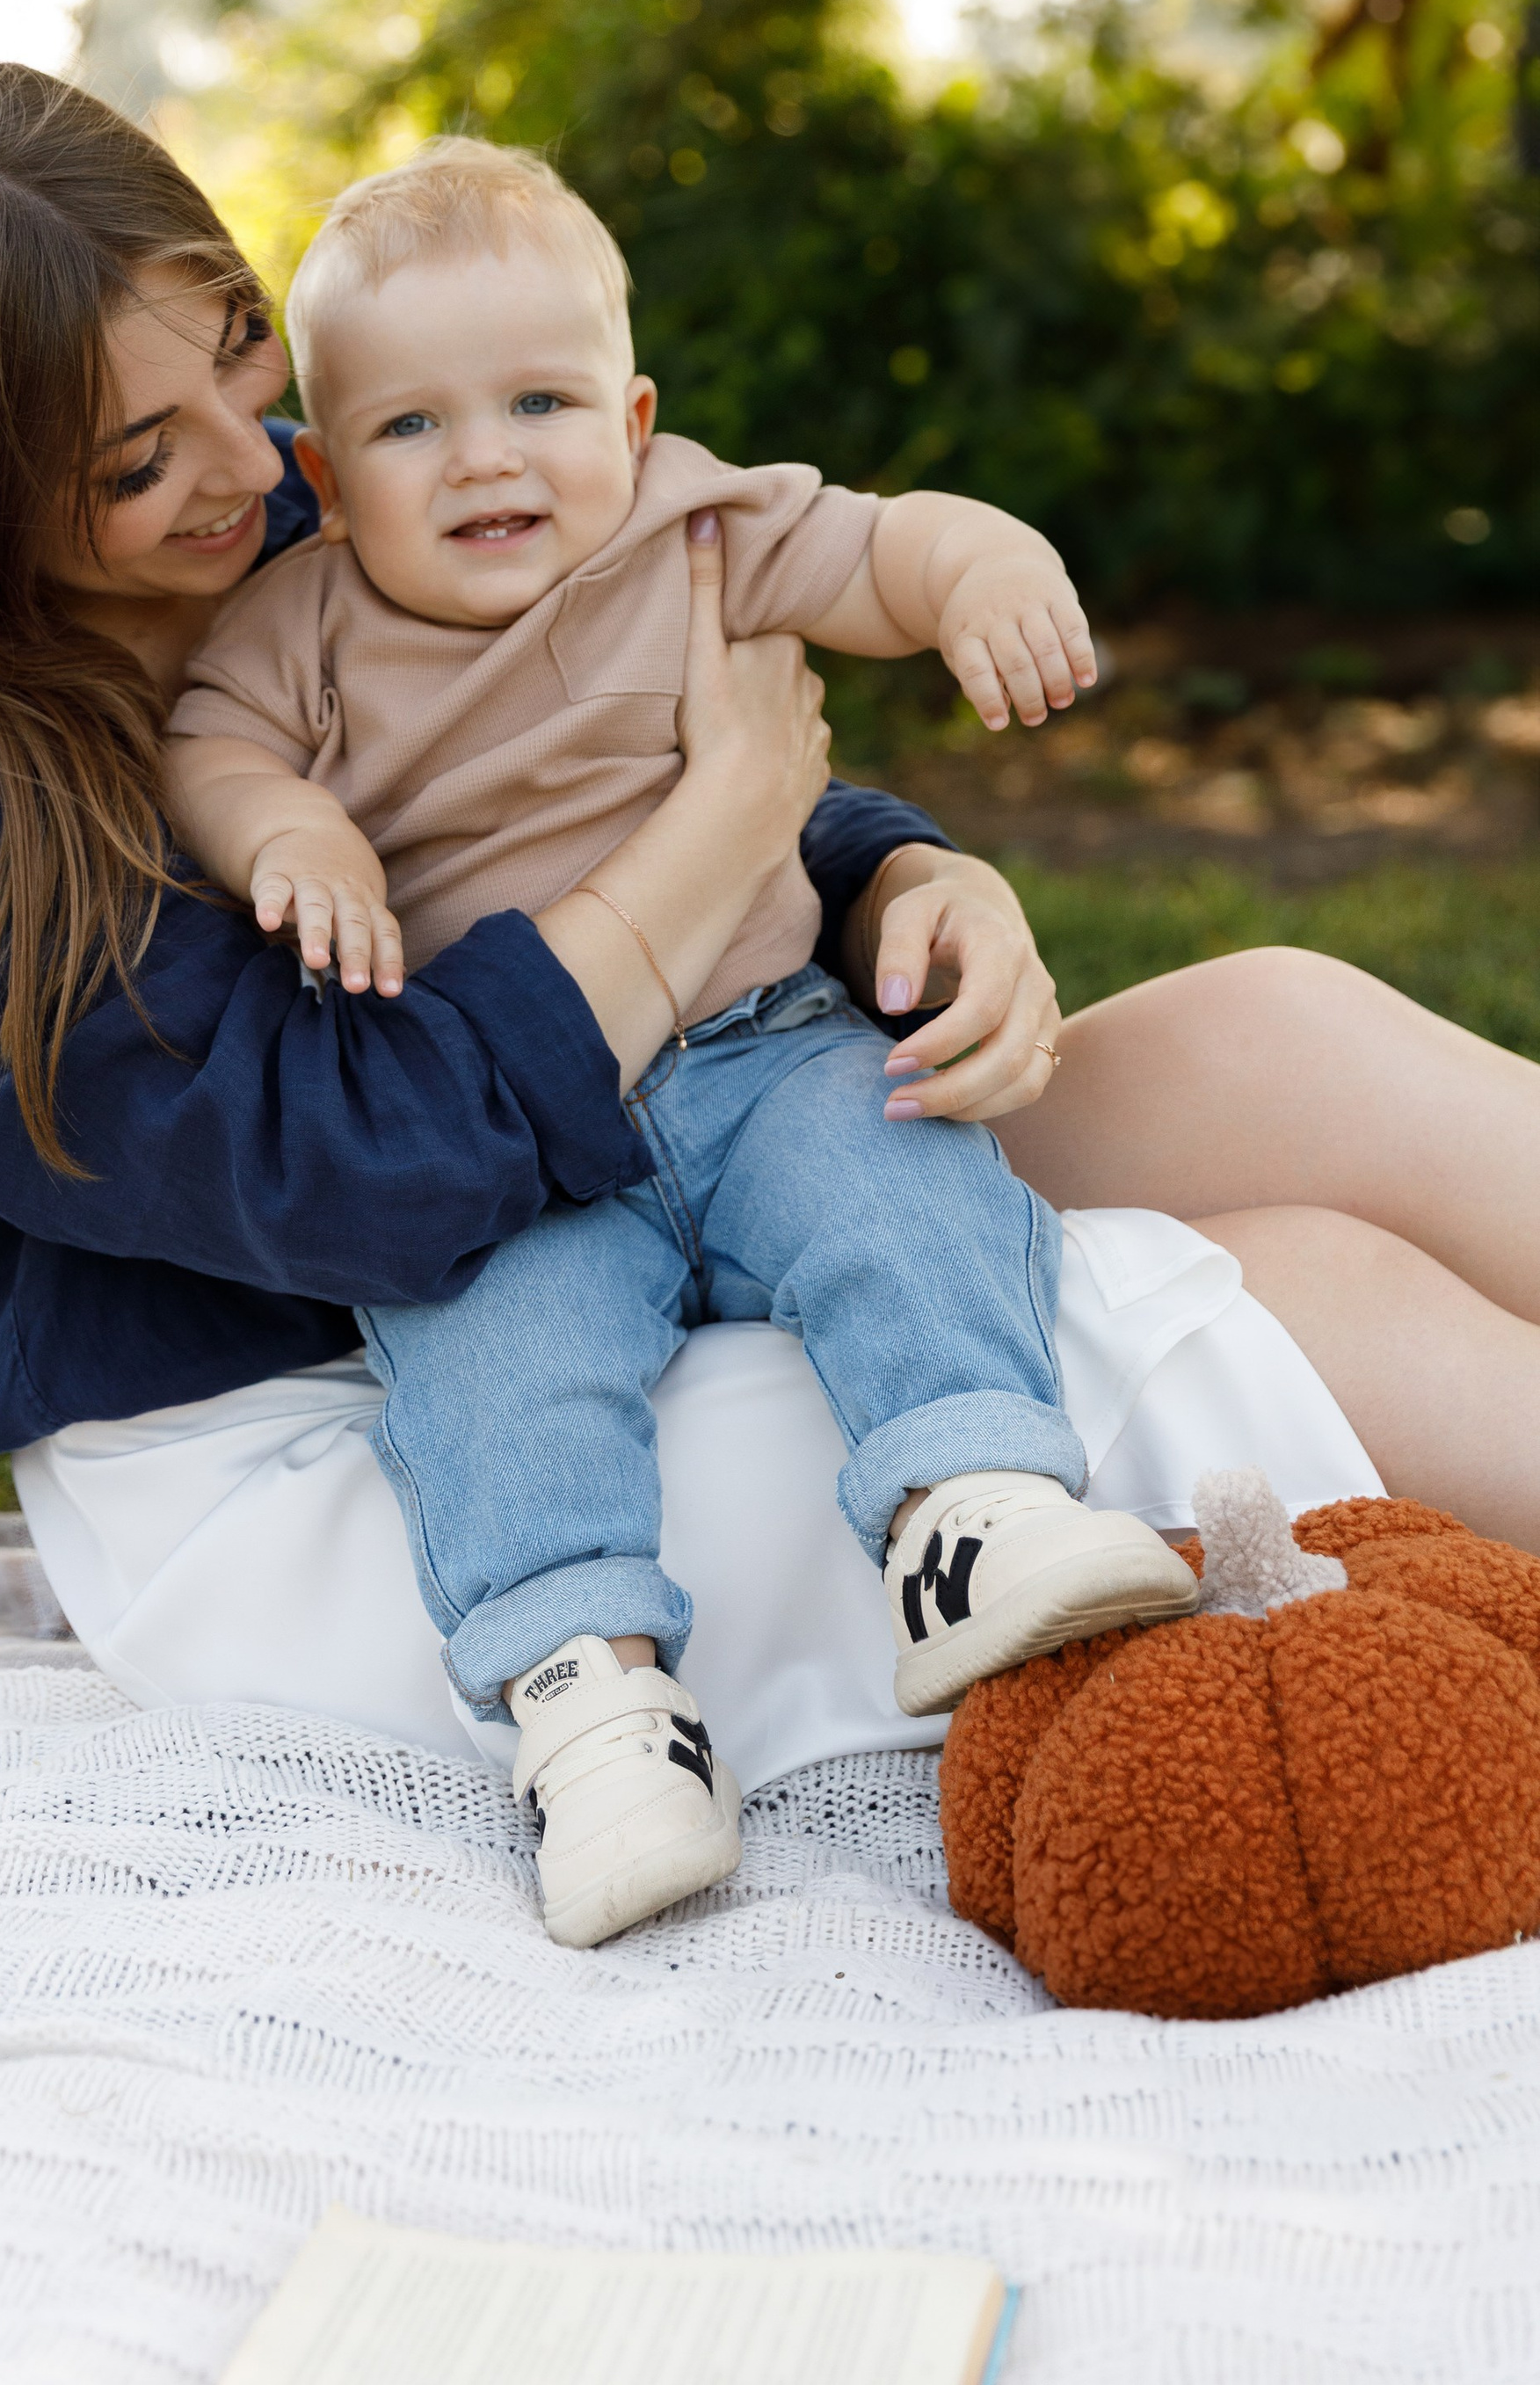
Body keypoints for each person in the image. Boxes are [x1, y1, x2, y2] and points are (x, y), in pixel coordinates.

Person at [0, 58, 1540, 1875]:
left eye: (238, 349)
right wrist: (729, 819)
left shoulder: (322, 492)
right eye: (128, 458)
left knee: (1273, 1029)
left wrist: (897, 866)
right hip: (369, 1422)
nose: (238, 463)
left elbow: (593, 751)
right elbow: (354, 1174)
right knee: (1273, 1293)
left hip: (627, 1177)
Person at [161, 140, 1197, 1947]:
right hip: (517, 1143)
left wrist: (977, 568)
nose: (483, 456)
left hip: (756, 1047)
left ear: (631, 418)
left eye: (538, 400)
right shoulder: (295, 624)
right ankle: (590, 1708)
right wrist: (293, 833)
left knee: (897, 1174)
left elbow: (880, 548)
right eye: (408, 429)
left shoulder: (690, 525)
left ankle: (969, 1511)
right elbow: (211, 755)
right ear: (321, 477)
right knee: (498, 1362)